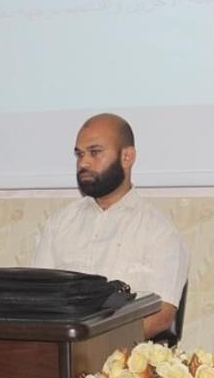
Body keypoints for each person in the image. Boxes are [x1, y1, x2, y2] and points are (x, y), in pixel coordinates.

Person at [31, 113, 189, 338]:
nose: (83, 163)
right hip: (61, 351)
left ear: (127, 157)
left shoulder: (159, 231)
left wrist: (95, 347)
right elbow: (39, 300)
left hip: (122, 355)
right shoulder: (59, 224)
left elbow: (161, 316)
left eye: (95, 152)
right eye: (79, 154)